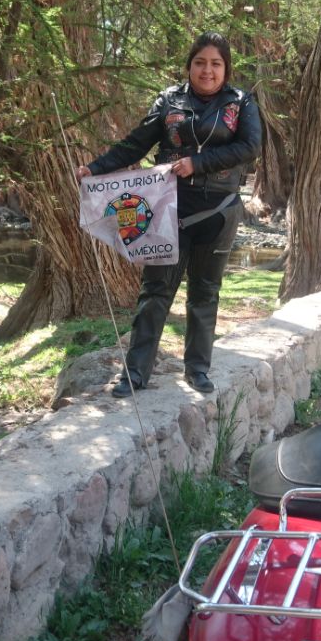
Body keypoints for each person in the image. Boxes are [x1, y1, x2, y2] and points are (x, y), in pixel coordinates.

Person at [76, 32, 262, 397]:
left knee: (205, 292)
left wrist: (198, 163)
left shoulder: (241, 102)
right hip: (166, 209)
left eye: (215, 63)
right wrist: (94, 169)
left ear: (226, 68)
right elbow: (134, 144)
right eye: (200, 62)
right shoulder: (168, 100)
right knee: (155, 291)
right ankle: (135, 374)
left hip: (219, 211)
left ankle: (197, 370)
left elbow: (250, 146)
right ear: (189, 65)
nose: (207, 70)